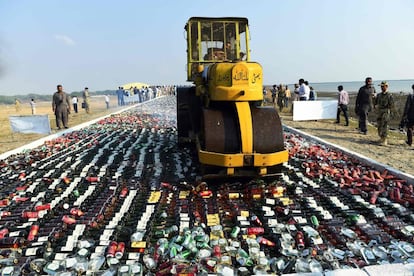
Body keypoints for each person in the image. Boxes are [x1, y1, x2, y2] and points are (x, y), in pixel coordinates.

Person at [374, 81, 394, 146]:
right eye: (381, 86)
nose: (382, 87)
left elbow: (391, 105)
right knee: (379, 125)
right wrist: (373, 98)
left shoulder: (389, 95)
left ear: (386, 86)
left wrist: (390, 112)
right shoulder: (379, 95)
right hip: (379, 112)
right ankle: (381, 137)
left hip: (386, 112)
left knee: (384, 125)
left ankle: (385, 139)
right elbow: (375, 103)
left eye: (383, 86)